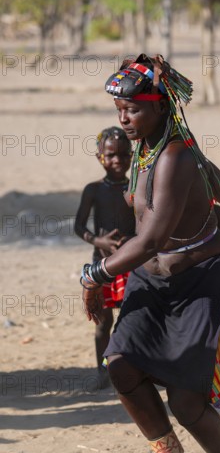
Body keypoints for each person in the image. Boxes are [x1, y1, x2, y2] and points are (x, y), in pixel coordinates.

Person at [80, 54, 220, 453]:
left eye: (132, 109)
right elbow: (213, 175)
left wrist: (93, 275)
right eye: (119, 110)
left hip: (196, 282)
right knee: (120, 366)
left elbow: (151, 238)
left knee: (186, 400)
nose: (124, 118)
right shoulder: (152, 145)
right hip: (151, 282)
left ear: (159, 106)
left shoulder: (173, 155)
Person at [75, 127, 135, 387]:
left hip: (132, 263)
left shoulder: (136, 187)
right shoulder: (94, 190)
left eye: (124, 155)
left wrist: (132, 241)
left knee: (133, 319)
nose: (118, 161)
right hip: (101, 266)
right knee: (102, 323)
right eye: (111, 155)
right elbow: (79, 226)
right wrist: (98, 241)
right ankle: (102, 372)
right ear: (100, 156)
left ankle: (132, 369)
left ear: (132, 156)